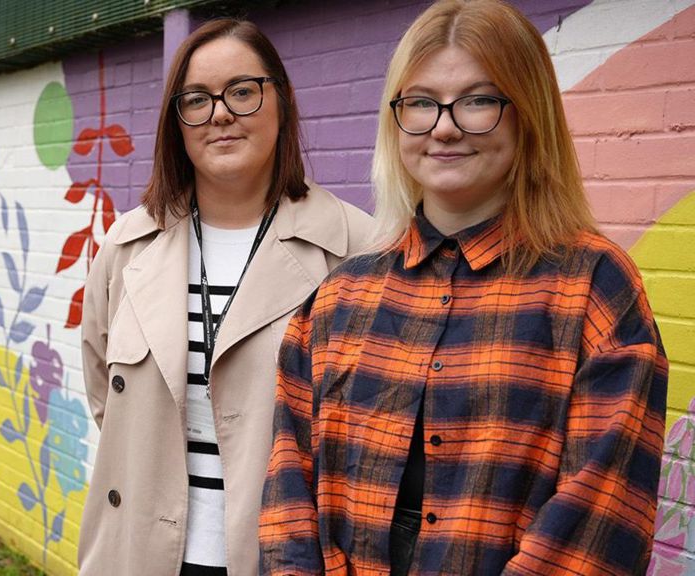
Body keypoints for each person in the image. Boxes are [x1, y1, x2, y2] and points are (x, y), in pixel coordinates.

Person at [259, 1, 668, 574]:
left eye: (477, 101)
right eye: (421, 103)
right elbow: (287, 493)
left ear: (528, 115)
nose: (444, 126)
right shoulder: (340, 297)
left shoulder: (592, 286)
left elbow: (603, 510)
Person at [79, 18, 373, 576]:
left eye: (242, 91)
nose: (220, 113)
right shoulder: (127, 245)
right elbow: (105, 395)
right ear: (177, 122)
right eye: (197, 99)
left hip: (285, 558)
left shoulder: (356, 249)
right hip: (137, 554)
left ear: (280, 102)